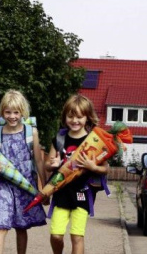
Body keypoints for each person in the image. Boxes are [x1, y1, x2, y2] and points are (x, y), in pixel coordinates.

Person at [0, 89, 47, 254]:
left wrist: (45, 188)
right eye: (8, 112)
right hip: (2, 184)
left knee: (21, 226)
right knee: (1, 225)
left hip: (24, 184)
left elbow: (39, 160)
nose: (12, 116)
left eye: (16, 112)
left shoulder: (30, 132)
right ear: (2, 112)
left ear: (22, 112)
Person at [46, 94, 108, 254]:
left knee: (76, 236)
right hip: (61, 193)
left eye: (79, 117)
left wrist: (92, 166)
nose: (75, 120)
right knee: (56, 235)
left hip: (83, 193)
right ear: (65, 116)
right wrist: (52, 165)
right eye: (71, 116)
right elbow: (47, 164)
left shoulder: (93, 141)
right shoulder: (59, 140)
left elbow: (105, 169)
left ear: (87, 118)